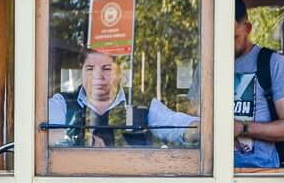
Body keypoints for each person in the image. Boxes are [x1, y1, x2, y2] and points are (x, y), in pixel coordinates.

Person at [48, 48, 198, 147]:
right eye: (90, 68)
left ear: (120, 72)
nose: (97, 76)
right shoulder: (62, 104)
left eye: (106, 68)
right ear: (81, 70)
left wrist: (195, 129)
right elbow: (48, 140)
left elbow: (174, 124)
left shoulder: (142, 104)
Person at [234, 0, 284, 169]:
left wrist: (242, 128)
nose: (225, 43)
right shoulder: (206, 65)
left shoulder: (273, 63)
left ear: (247, 28)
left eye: (233, 36)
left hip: (260, 175)